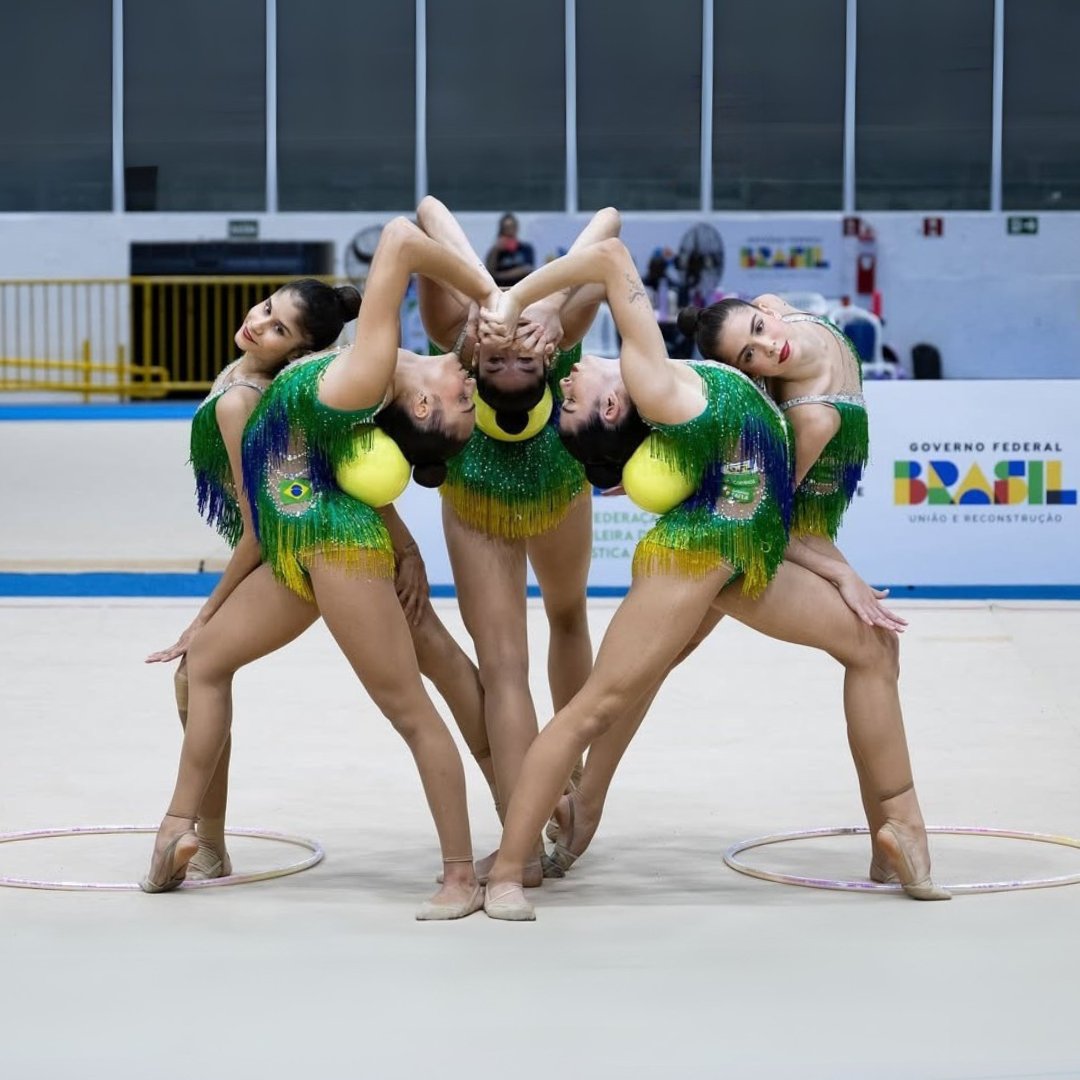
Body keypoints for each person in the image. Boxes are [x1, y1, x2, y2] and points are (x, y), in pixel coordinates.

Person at [477, 238, 947, 920]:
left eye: (564, 391)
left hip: (747, 551)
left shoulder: (704, 371)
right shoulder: (657, 384)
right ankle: (511, 871)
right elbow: (610, 256)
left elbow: (611, 258)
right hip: (696, 557)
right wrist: (520, 303)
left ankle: (899, 832)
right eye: (569, 395)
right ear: (614, 409)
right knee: (598, 705)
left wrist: (527, 304)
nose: (565, 381)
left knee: (872, 647)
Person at [141, 218, 499, 920]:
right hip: (308, 549)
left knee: (412, 707)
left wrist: (207, 608)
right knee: (203, 666)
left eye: (275, 327)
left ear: (299, 350)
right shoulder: (278, 386)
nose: (257, 324)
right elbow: (322, 481)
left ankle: (464, 873)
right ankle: (195, 838)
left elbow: (261, 520)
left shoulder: (251, 399)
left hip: (331, 550)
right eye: (265, 308)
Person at [414, 197, 617, 885]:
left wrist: (502, 301)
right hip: (487, 494)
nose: (506, 350)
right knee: (506, 660)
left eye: (512, 358)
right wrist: (542, 305)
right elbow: (426, 211)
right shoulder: (519, 331)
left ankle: (562, 779)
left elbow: (429, 216)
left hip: (545, 482)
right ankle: (523, 838)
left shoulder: (462, 333)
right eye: (503, 357)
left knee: (557, 622)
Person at [484, 212, 535, 288]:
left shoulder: (526, 248)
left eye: (512, 227)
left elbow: (528, 269)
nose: (509, 231)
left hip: (521, 288)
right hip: (501, 289)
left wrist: (500, 276)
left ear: (517, 228)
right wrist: (496, 251)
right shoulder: (495, 251)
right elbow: (489, 273)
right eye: (506, 228)